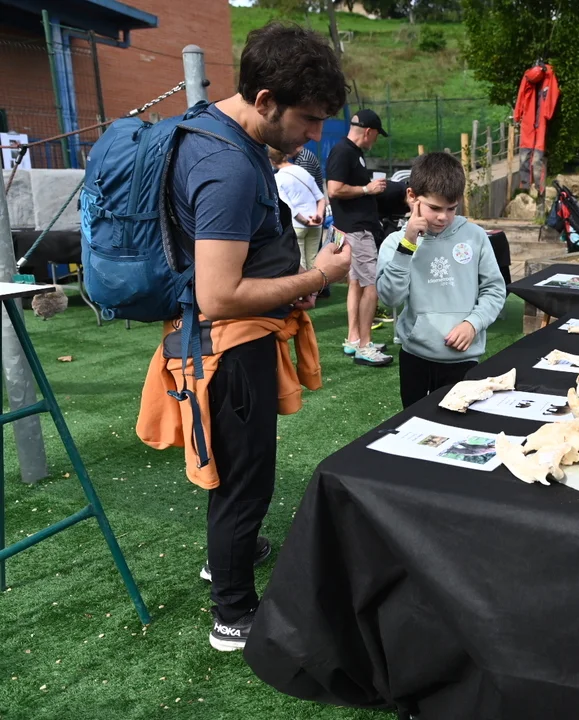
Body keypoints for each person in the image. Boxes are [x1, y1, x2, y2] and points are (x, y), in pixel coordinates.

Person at [136, 22, 351, 651]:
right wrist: (318, 274)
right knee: (245, 478)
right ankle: (232, 615)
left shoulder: (216, 127)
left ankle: (227, 554)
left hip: (222, 338)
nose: (316, 135)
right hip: (225, 345)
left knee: (236, 470)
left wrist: (289, 286)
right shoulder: (228, 165)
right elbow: (219, 293)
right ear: (264, 101)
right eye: (309, 119)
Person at [375, 152, 506, 408]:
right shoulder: (395, 243)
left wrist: (473, 324)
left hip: (464, 358)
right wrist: (408, 245)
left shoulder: (475, 236)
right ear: (412, 196)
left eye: (451, 208)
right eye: (434, 208)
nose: (443, 217)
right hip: (415, 358)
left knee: (460, 428)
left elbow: (494, 289)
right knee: (416, 425)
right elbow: (389, 298)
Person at [326, 109, 393, 366]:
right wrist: (368, 188)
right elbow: (334, 189)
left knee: (356, 283)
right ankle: (365, 345)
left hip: (352, 228)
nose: (375, 139)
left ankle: (355, 339)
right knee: (371, 285)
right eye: (376, 135)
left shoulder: (352, 152)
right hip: (356, 230)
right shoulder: (344, 152)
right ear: (368, 131)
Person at [269, 147, 325, 270]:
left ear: (272, 161)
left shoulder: (278, 178)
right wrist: (319, 216)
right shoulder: (303, 171)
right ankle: (317, 282)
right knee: (314, 262)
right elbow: (321, 198)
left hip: (297, 224)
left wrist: (305, 221)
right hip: (315, 223)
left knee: (301, 263)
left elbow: (288, 206)